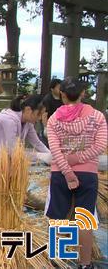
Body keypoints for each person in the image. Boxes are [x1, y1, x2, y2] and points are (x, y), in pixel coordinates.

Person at [46, 77, 107, 269]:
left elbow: (54, 150)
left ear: (62, 94)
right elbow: (100, 145)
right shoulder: (97, 117)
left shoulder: (54, 119)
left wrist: (67, 170)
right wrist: (79, 159)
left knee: (57, 218)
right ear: (82, 94)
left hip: (60, 174)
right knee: (84, 219)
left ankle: (57, 261)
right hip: (88, 174)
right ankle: (85, 264)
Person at [0, 95, 50, 198]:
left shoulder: (27, 123)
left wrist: (50, 155)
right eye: (38, 114)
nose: (39, 118)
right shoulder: (9, 120)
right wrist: (40, 156)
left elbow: (37, 142)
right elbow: (13, 151)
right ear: (29, 110)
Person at [40, 78, 63, 146]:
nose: (60, 89)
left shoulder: (63, 98)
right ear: (52, 89)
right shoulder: (47, 99)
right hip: (49, 123)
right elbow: (44, 114)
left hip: (60, 124)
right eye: (58, 88)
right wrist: (45, 127)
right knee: (49, 143)